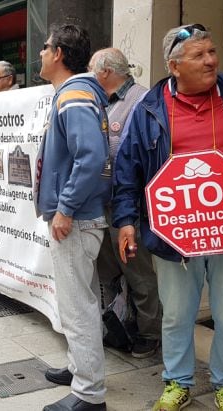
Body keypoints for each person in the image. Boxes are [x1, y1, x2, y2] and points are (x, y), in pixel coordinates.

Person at [112, 24, 223, 411]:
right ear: (175, 66)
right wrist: (125, 219)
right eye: (199, 55)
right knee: (175, 317)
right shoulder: (150, 111)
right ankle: (177, 382)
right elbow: (128, 171)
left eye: (212, 52)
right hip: (174, 236)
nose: (211, 60)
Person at [36, 24, 110, 411]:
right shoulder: (74, 93)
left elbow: (91, 157)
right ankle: (79, 367)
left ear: (60, 53)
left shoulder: (75, 93)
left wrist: (64, 209)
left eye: (46, 48)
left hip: (76, 219)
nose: (41, 54)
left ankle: (88, 394)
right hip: (80, 218)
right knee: (80, 302)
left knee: (78, 307)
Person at [90, 48, 162, 359]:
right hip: (101, 204)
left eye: (93, 69)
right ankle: (118, 324)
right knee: (107, 270)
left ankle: (148, 333)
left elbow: (142, 157)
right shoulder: (99, 101)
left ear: (105, 72)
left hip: (129, 207)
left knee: (137, 271)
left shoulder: (141, 101)